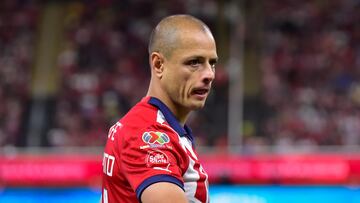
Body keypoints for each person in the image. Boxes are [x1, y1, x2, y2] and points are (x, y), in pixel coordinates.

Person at [101, 14, 218, 203]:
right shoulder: (147, 135)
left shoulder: (154, 126)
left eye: (212, 63)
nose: (209, 74)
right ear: (158, 65)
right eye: (194, 62)